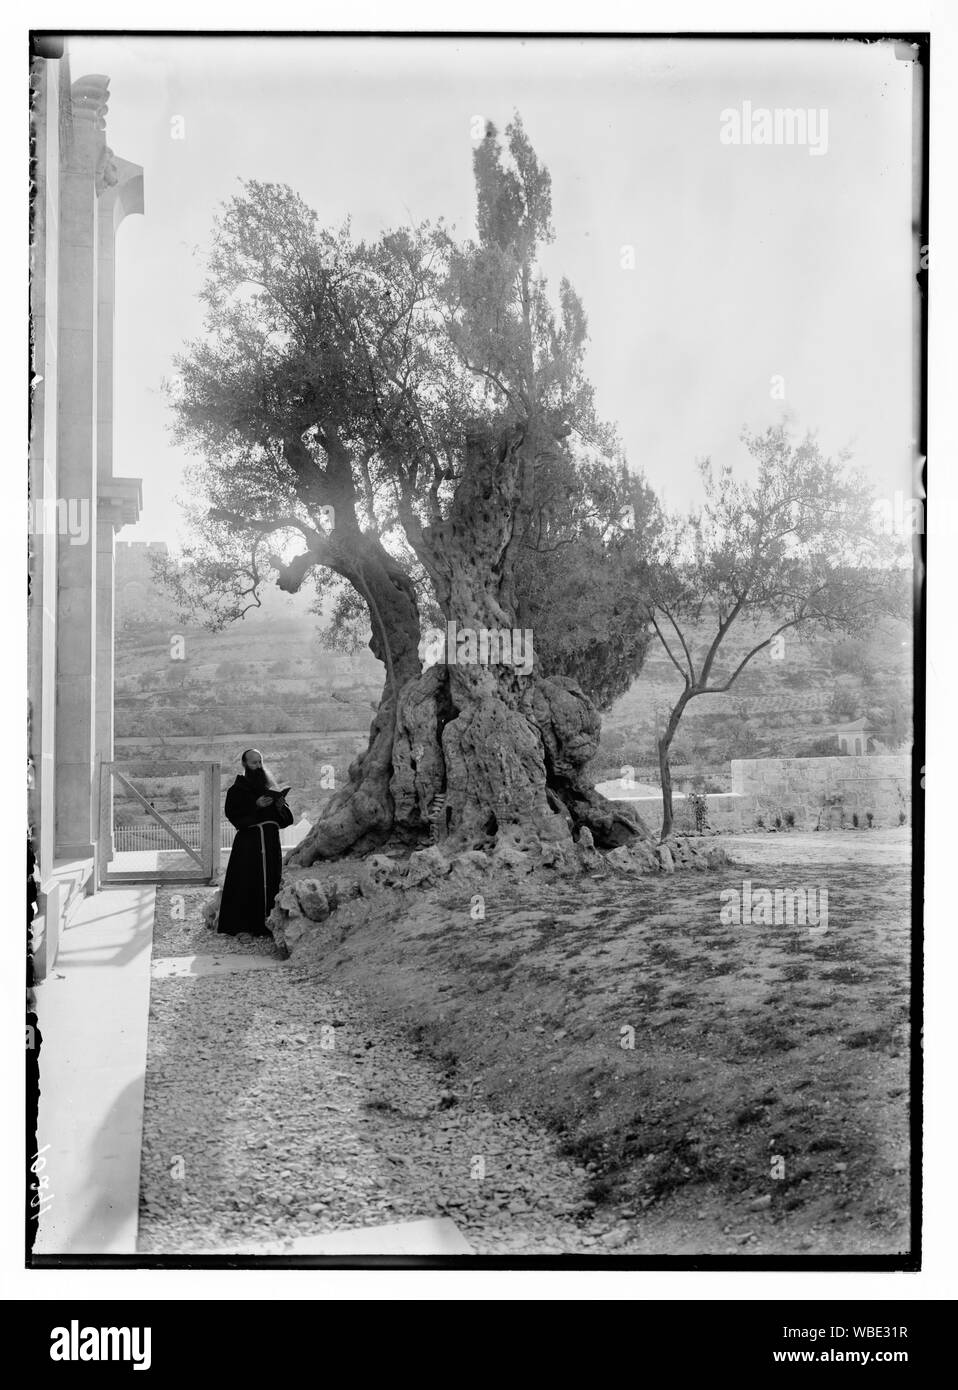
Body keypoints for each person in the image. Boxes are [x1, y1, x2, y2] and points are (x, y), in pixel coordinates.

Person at [216, 749, 294, 937]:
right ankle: (245, 927)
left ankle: (268, 924)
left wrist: (278, 806)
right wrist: (256, 805)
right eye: (254, 763)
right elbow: (233, 815)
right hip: (248, 846)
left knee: (270, 882)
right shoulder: (236, 791)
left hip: (270, 843)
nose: (258, 766)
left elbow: (285, 820)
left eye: (260, 762)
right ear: (244, 764)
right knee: (246, 884)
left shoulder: (268, 790)